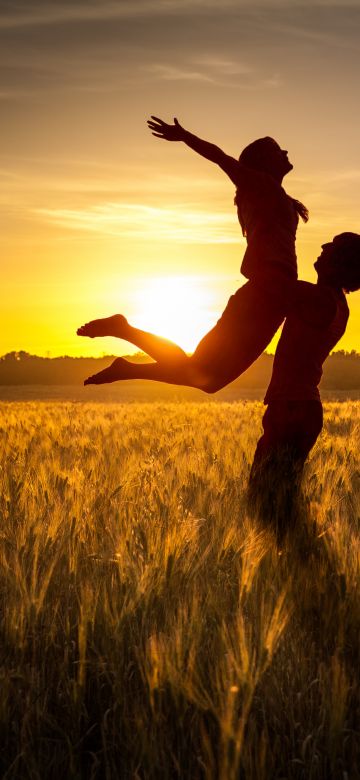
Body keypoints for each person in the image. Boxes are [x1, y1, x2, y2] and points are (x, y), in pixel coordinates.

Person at [78, 116, 308, 390]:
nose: (285, 152)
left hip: (274, 296)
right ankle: (123, 332)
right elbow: (221, 157)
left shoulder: (276, 196)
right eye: (277, 150)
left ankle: (125, 361)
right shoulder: (259, 186)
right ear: (263, 162)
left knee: (209, 380)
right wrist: (185, 136)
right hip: (264, 293)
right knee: (201, 372)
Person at [248, 232, 360, 538]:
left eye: (333, 247)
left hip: (292, 408)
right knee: (280, 499)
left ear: (341, 264)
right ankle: (302, 562)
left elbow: (269, 283)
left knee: (264, 500)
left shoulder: (320, 300)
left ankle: (297, 562)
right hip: (301, 406)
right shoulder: (336, 303)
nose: (323, 247)